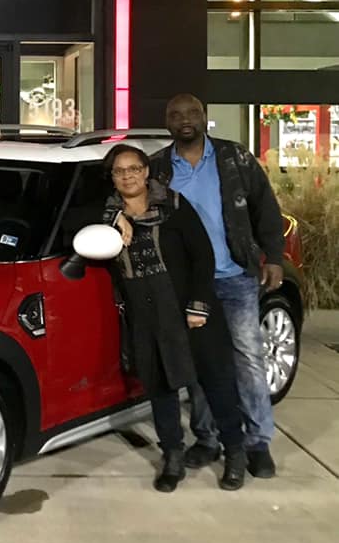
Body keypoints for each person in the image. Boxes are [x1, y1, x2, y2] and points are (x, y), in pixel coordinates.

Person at [151, 94, 285, 479]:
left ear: (204, 117)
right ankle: (208, 439)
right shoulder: (158, 168)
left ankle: (257, 443)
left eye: (192, 113)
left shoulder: (234, 157)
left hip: (235, 276)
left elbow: (265, 207)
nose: (185, 119)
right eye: (176, 115)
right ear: (167, 122)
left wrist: (273, 256)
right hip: (190, 284)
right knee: (202, 365)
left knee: (248, 360)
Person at [102, 144, 246, 492]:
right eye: (119, 171)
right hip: (145, 315)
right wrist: (114, 218)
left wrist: (198, 304)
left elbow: (203, 256)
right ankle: (173, 458)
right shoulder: (106, 216)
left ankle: (235, 453)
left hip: (186, 310)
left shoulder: (174, 206)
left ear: (146, 171)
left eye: (134, 168)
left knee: (216, 383)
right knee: (161, 390)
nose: (127, 176)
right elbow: (71, 228)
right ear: (112, 177)